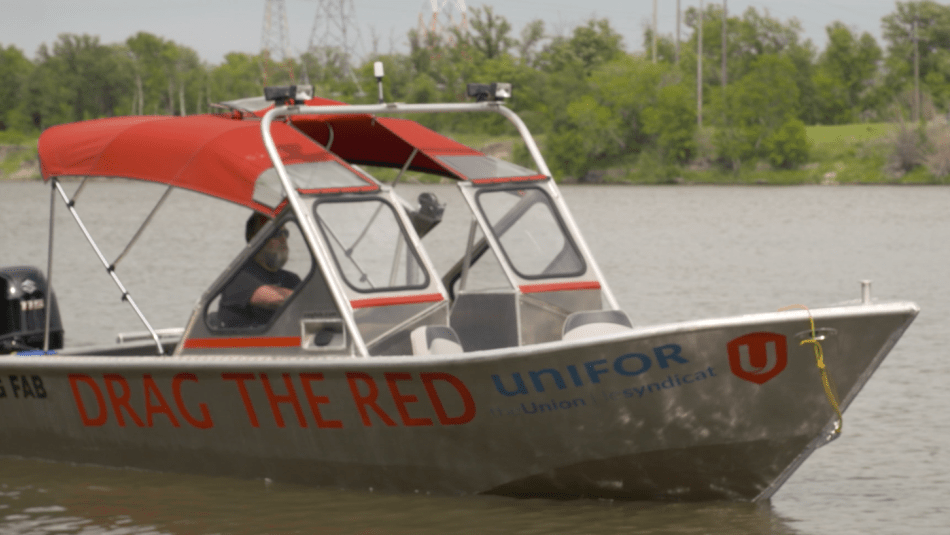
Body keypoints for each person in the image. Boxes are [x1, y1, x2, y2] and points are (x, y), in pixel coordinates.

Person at [217, 213, 301, 328]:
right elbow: (275, 298)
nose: (283, 239)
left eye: (285, 233)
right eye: (276, 234)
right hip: (242, 344)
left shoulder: (291, 279)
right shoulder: (237, 277)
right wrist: (310, 297)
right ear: (256, 240)